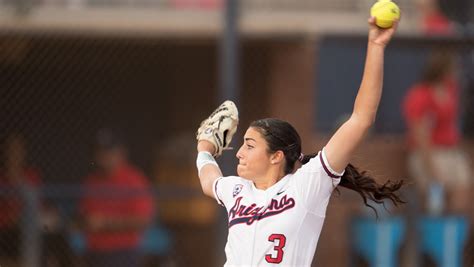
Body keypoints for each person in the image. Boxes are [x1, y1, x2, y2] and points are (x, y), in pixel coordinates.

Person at [195, 17, 404, 266]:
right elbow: (210, 181)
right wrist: (205, 149)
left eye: (250, 146)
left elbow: (361, 119)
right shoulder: (238, 190)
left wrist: (376, 47)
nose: (239, 153)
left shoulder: (306, 185)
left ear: (276, 156)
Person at [402, 49, 471, 216]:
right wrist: (432, 168)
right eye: (453, 69)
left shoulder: (452, 91)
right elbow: (421, 135)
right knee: (434, 202)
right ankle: (435, 237)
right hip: (427, 154)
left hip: (451, 153)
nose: (456, 73)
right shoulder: (420, 95)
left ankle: (452, 236)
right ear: (442, 70)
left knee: (463, 193)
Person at [79, 129, 154, 267]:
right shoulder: (91, 181)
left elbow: (143, 221)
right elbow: (84, 216)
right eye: (100, 152)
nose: (104, 157)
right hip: (93, 252)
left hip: (123, 252)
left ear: (121, 153)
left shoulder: (134, 179)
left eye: (109, 152)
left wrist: (106, 223)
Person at [0, 133, 42, 260]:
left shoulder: (31, 175)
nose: (14, 154)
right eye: (11, 149)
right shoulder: (1, 177)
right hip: (4, 229)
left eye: (18, 149)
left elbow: (37, 206)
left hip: (26, 229)